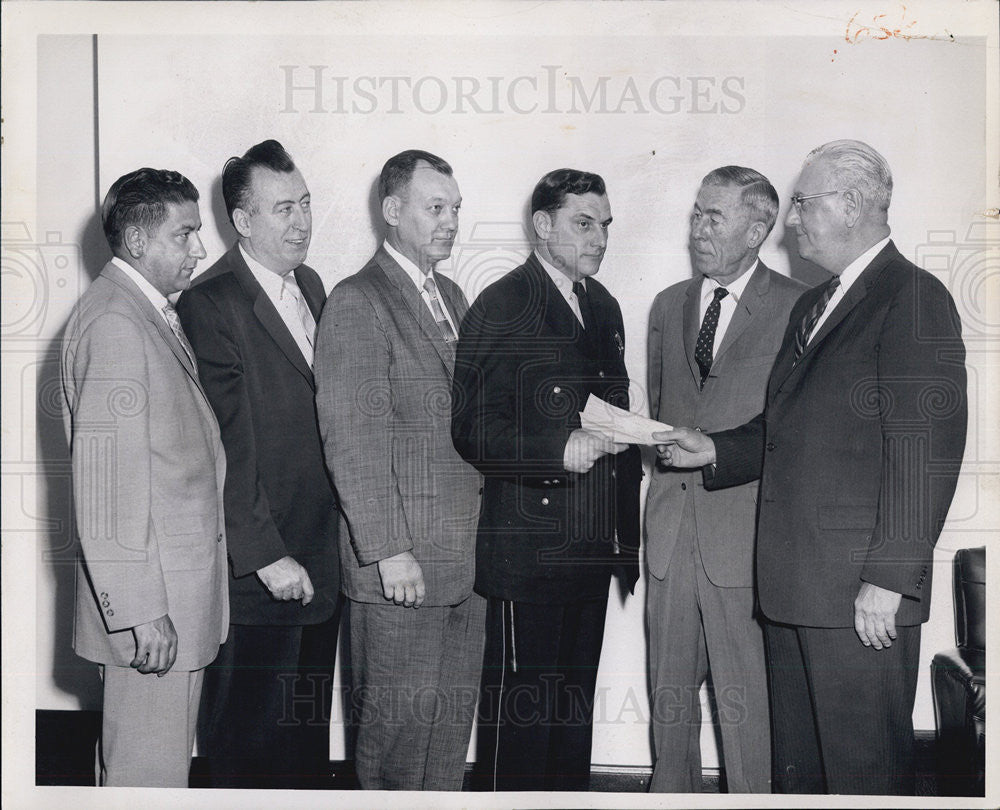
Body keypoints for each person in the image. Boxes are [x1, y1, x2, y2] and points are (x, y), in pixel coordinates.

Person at [656, 140, 967, 795]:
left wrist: (888, 579)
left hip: (860, 603)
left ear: (851, 205)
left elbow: (926, 449)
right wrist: (715, 450)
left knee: (861, 779)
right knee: (798, 780)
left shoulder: (912, 296)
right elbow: (786, 429)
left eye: (802, 203)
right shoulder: (815, 304)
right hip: (793, 594)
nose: (790, 221)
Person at [451, 168, 642, 791]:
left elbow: (612, 413)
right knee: (522, 730)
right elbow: (472, 428)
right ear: (542, 226)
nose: (599, 238)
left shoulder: (603, 305)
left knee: (572, 723)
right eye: (583, 224)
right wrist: (555, 450)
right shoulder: (503, 304)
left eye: (605, 225)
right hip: (527, 555)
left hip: (590, 552)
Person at [314, 149, 485, 790]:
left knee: (443, 744)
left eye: (456, 209)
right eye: (435, 208)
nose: (450, 222)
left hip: (463, 563)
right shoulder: (358, 302)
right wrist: (388, 551)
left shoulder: (453, 296)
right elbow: (352, 440)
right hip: (402, 568)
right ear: (392, 212)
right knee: (393, 749)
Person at [175, 140, 342, 789]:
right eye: (282, 209)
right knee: (247, 757)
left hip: (318, 563)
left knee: (301, 755)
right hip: (259, 576)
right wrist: (266, 555)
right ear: (243, 222)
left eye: (304, 204)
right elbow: (225, 443)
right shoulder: (211, 302)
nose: (301, 221)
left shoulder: (311, 284)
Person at [60, 168, 227, 787]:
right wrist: (139, 612)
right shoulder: (117, 325)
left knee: (157, 774)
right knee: (144, 778)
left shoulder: (139, 313)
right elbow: (107, 490)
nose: (199, 250)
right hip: (153, 616)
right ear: (136, 240)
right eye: (184, 235)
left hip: (168, 605)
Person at [645, 166, 806, 793]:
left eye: (714, 216)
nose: (697, 228)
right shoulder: (666, 305)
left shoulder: (800, 307)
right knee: (669, 716)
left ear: (759, 228)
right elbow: (665, 408)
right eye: (695, 213)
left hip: (745, 543)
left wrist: (715, 453)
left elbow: (793, 432)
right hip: (667, 541)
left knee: (750, 722)